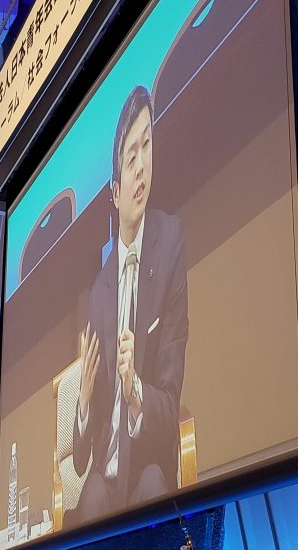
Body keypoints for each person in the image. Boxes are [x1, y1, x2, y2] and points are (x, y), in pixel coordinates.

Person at [70, 84, 189, 523]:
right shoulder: (98, 293)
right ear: (115, 191)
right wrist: (84, 403)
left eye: (147, 145)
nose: (142, 167)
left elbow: (170, 406)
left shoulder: (170, 241)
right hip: (105, 478)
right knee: (92, 495)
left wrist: (134, 388)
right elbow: (80, 460)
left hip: (146, 468)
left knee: (154, 485)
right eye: (130, 155)